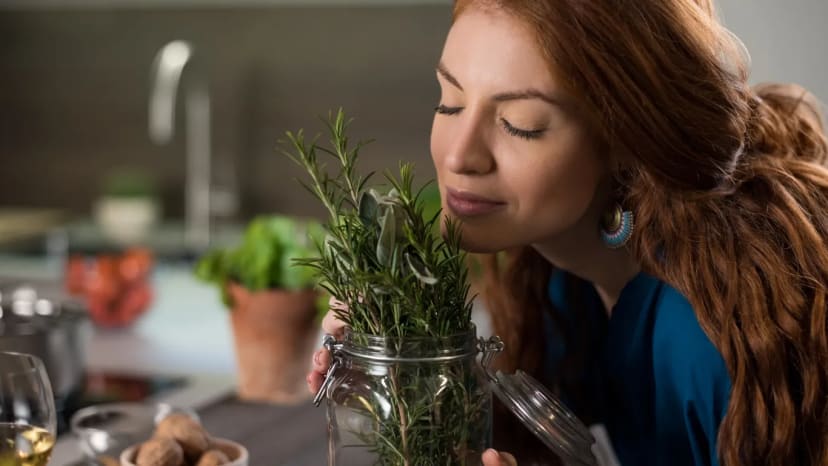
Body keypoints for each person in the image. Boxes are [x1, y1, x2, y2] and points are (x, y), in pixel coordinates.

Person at [307, 1, 828, 465]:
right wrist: (402, 354)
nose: (459, 155)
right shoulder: (560, 276)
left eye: (522, 124)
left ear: (627, 138)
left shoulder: (700, 334)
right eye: (450, 102)